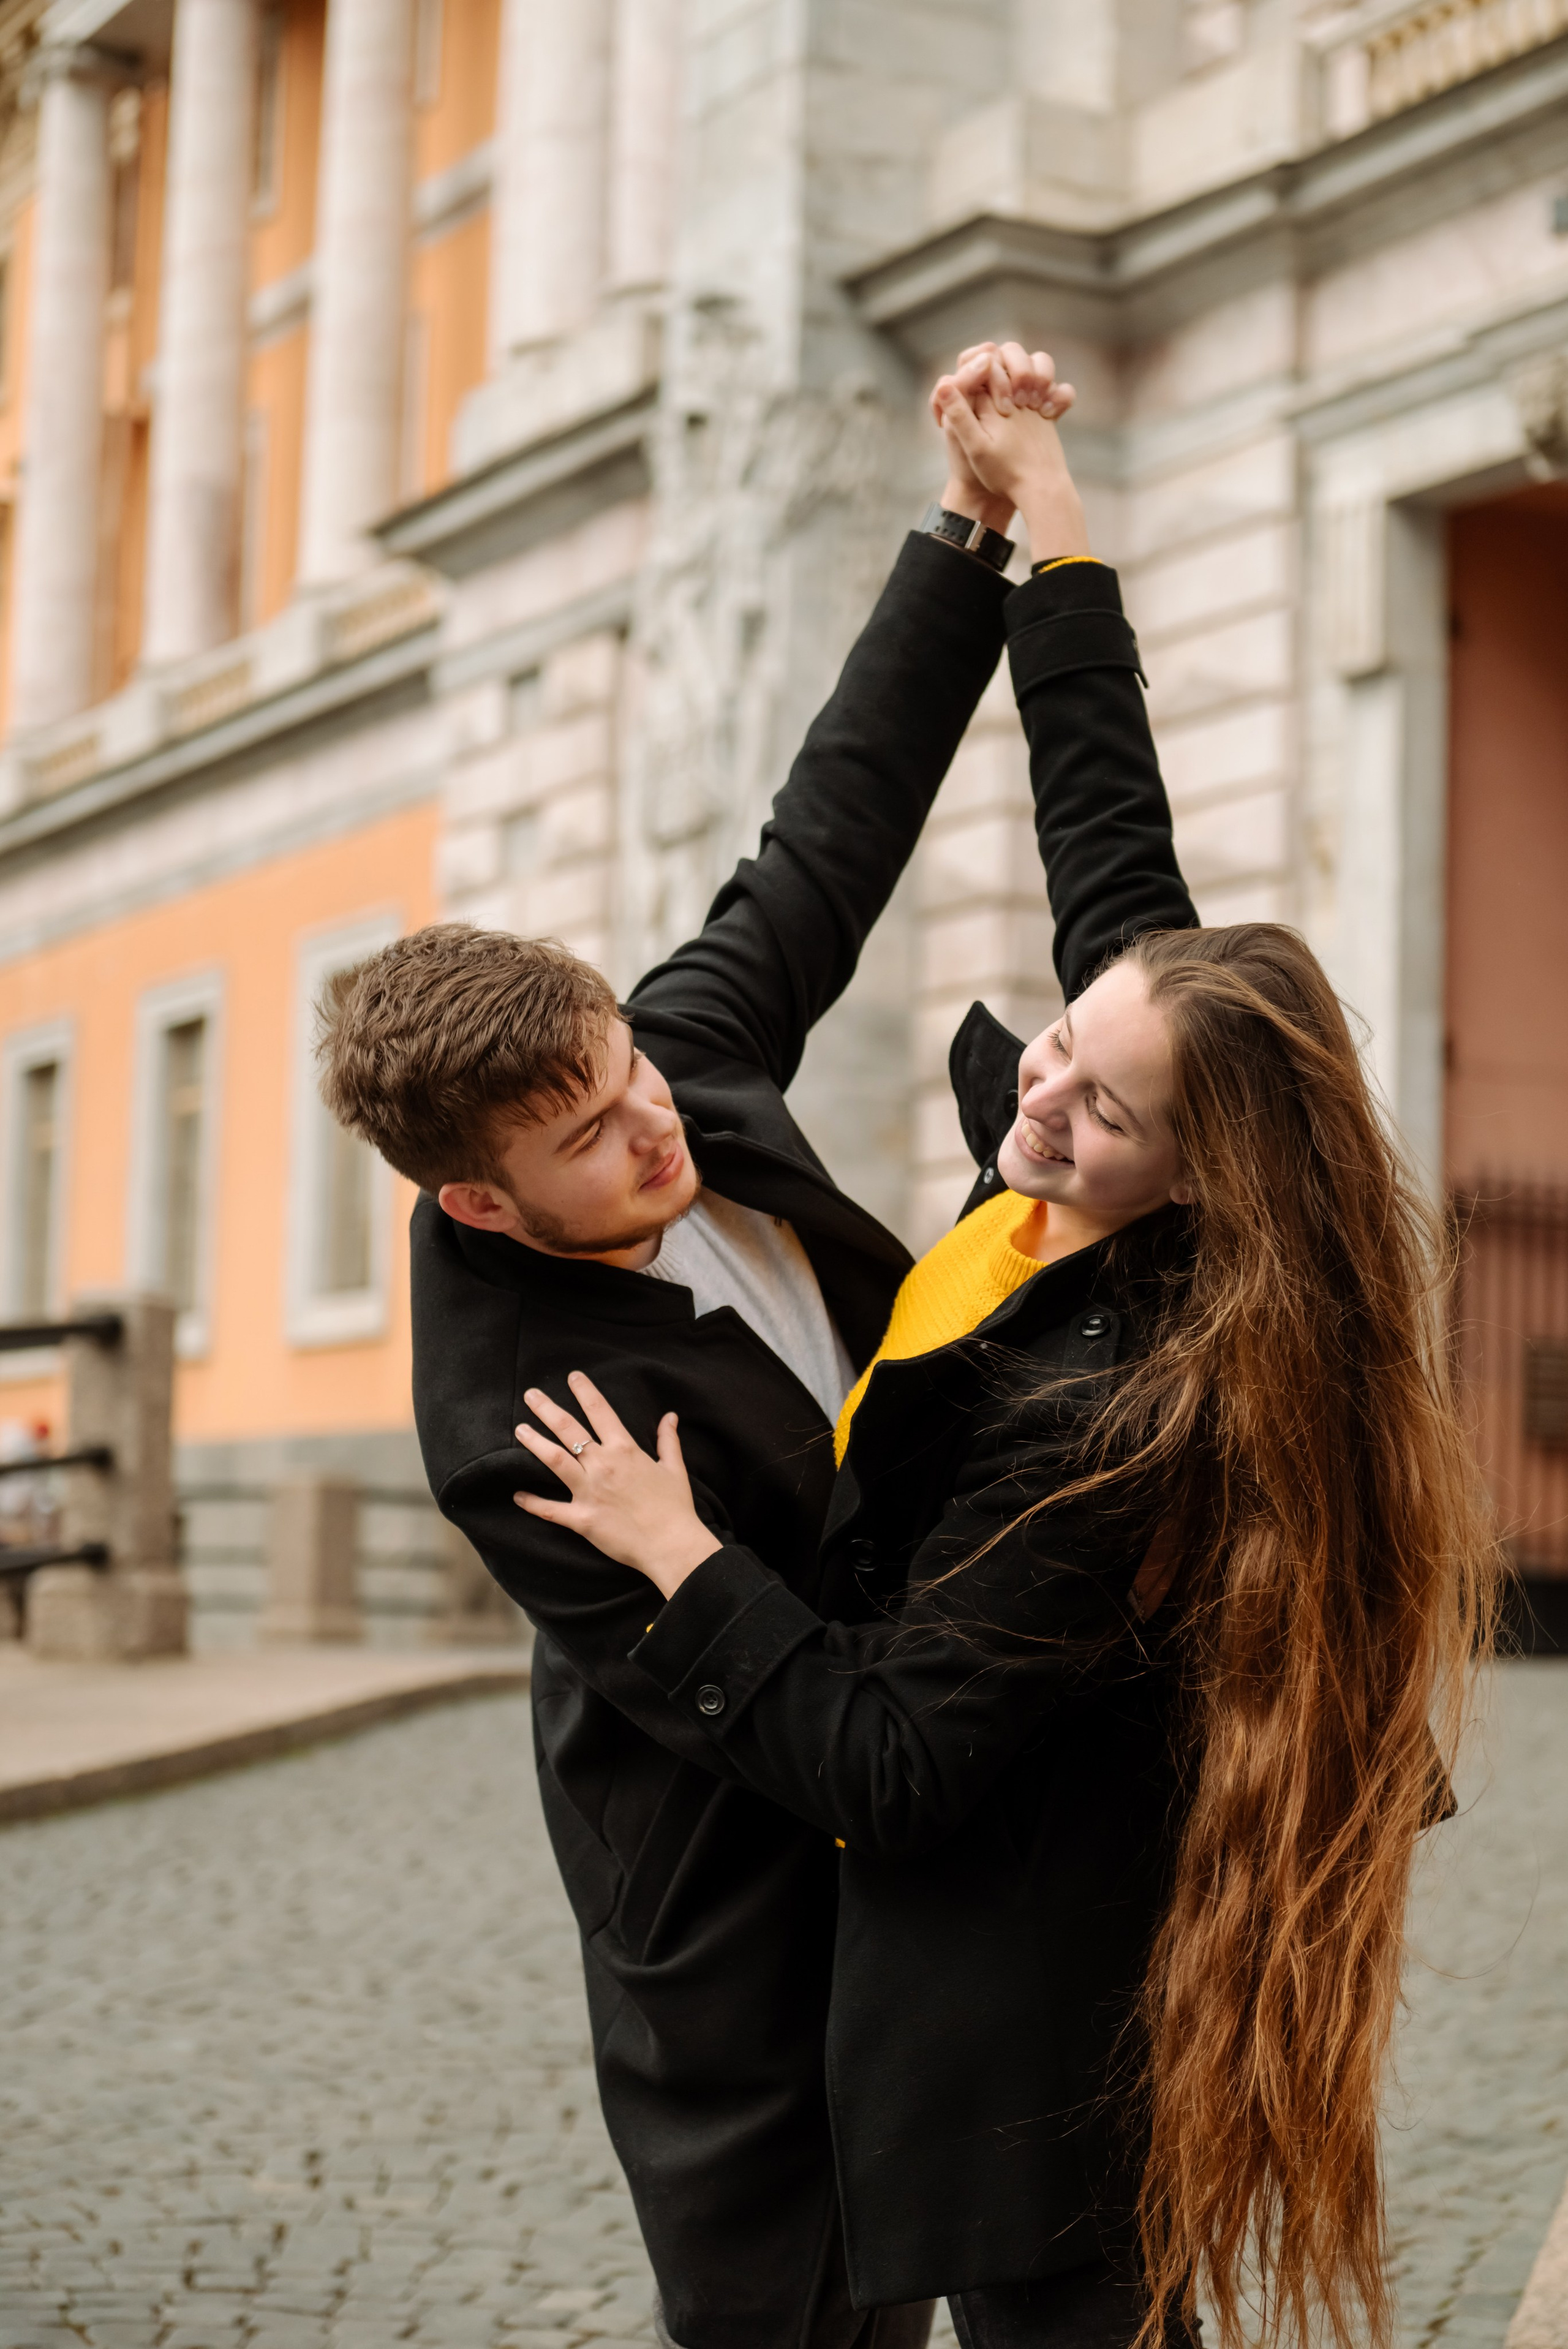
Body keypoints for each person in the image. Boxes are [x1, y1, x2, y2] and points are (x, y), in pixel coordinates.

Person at [507, 373, 1496, 2349]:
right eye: (1063, 1042)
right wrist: (1042, 501)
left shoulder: (1112, 1417)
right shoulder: (1125, 1106)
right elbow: (1106, 813)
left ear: (1203, 1173)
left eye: (1102, 1110)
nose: (1040, 1099)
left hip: (1025, 1997)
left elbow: (890, 1758)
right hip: (1004, 1928)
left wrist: (680, 1556)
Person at [317, 343, 1131, 2349]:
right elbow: (787, 1677)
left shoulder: (658, 1063)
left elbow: (826, 833)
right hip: (745, 1904)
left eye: (631, 1070)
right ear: (480, 1204)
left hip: (933, 1817)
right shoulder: (520, 1425)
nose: (654, 1122)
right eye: (591, 1136)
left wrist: (973, 527)